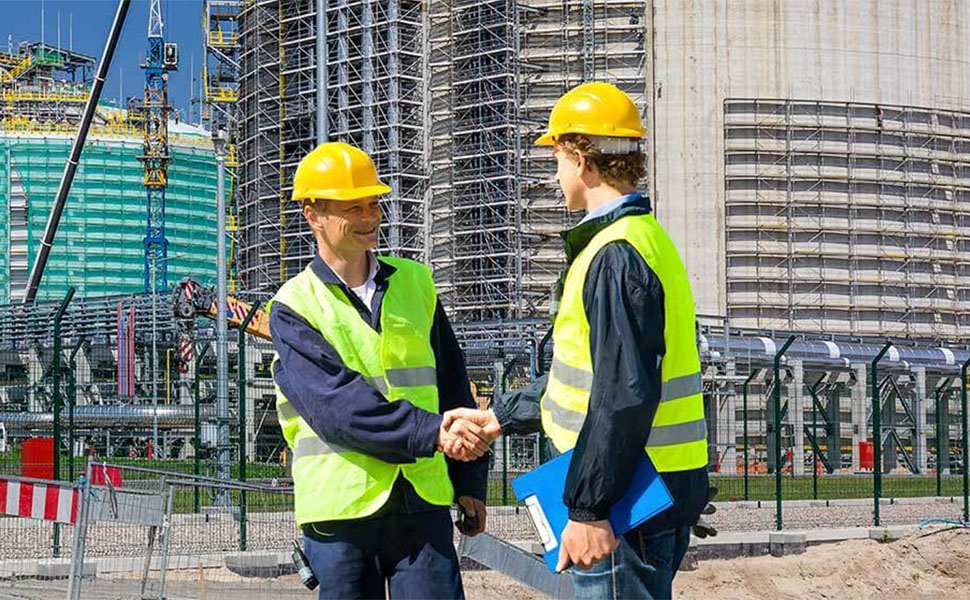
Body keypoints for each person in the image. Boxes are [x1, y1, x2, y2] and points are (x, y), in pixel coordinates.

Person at [443, 82, 710, 600]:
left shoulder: (614, 255)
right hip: (647, 491)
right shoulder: (645, 240)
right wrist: (500, 416)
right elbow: (584, 376)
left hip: (626, 506)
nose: (556, 175)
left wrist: (589, 509)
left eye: (559, 159)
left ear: (583, 160)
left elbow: (623, 393)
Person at [268, 141, 490, 600]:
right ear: (314, 214)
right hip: (341, 513)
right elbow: (339, 409)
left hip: (421, 499)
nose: (370, 217)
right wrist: (434, 434)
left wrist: (469, 480)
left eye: (374, 204)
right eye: (354, 207)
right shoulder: (294, 307)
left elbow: (451, 381)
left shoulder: (416, 283)